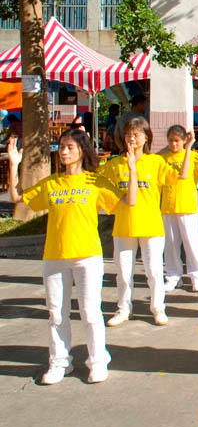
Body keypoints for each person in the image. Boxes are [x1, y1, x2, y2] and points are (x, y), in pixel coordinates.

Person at [8, 129, 137, 385]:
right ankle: (59, 363)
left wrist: (132, 170)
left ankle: (97, 361)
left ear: (82, 151)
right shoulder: (52, 183)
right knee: (56, 314)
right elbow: (17, 198)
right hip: (54, 256)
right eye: (62, 147)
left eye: (70, 147)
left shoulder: (95, 181)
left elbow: (130, 200)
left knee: (90, 312)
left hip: (87, 256)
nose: (64, 152)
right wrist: (14, 165)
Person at [100, 116, 177, 327]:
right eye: (128, 135)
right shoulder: (115, 164)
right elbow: (98, 182)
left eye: (136, 134)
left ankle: (158, 308)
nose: (132, 139)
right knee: (123, 272)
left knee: (153, 271)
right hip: (123, 226)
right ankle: (123, 308)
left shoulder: (156, 162)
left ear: (146, 138)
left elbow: (179, 177)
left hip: (151, 225)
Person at [160, 125, 198, 292]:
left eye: (177, 141)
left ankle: (197, 276)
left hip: (187, 206)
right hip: (168, 207)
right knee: (171, 245)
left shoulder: (193, 156)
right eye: (171, 140)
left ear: (184, 140)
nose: (173, 144)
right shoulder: (162, 158)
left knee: (191, 244)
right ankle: (173, 276)